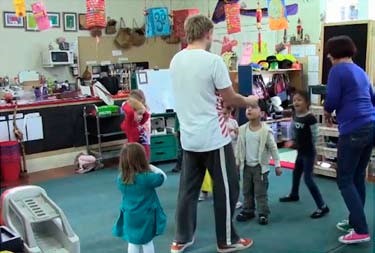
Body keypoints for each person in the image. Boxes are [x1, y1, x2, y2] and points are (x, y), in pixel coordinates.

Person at [169, 14, 258, 253]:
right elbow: (229, 98)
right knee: (228, 189)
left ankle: (181, 238)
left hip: (188, 137)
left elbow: (200, 87)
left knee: (187, 191)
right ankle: (227, 240)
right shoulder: (213, 62)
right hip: (213, 138)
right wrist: (249, 100)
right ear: (208, 33)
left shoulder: (176, 60)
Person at [324, 35, 374, 244]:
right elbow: (373, 98)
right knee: (355, 177)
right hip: (371, 125)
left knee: (344, 179)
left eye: (328, 53)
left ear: (334, 53)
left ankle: (361, 229)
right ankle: (355, 220)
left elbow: (332, 99)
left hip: (354, 129)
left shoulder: (337, 70)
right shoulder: (361, 71)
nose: (327, 56)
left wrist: (327, 111)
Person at [279, 91, 329, 218]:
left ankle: (322, 206)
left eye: (299, 100)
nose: (296, 102)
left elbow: (315, 135)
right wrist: (291, 140)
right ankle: (294, 194)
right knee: (296, 173)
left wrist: (316, 152)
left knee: (308, 179)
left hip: (308, 153)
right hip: (300, 152)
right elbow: (293, 129)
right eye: (294, 100)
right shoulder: (296, 115)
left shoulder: (310, 118)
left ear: (307, 103)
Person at [112, 143, 167, 253]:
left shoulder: (120, 179)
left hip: (129, 215)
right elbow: (163, 177)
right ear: (142, 159)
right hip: (146, 216)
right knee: (147, 242)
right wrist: (151, 167)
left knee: (132, 242)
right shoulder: (147, 178)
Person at [235, 100, 282, 225]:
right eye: (247, 107)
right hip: (246, 166)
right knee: (246, 190)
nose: (249, 110)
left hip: (260, 168)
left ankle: (263, 213)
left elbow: (273, 148)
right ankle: (248, 210)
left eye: (253, 107)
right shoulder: (243, 129)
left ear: (261, 113)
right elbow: (239, 147)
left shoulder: (265, 131)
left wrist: (277, 164)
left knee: (260, 192)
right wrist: (237, 161)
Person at [121, 90, 151, 159]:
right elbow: (130, 112)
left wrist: (141, 106)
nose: (141, 117)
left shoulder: (139, 123)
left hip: (143, 148)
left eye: (142, 114)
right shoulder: (129, 123)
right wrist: (128, 102)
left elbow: (146, 115)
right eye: (139, 114)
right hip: (134, 151)